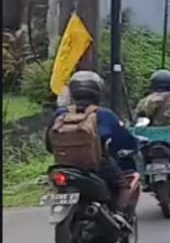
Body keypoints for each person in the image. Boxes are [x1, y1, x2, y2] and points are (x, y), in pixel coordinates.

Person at [49, 70, 140, 227]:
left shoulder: (60, 114)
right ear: (97, 91)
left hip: (64, 167)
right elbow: (124, 141)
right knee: (123, 185)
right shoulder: (105, 114)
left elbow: (48, 143)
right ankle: (119, 215)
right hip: (98, 167)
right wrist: (133, 146)